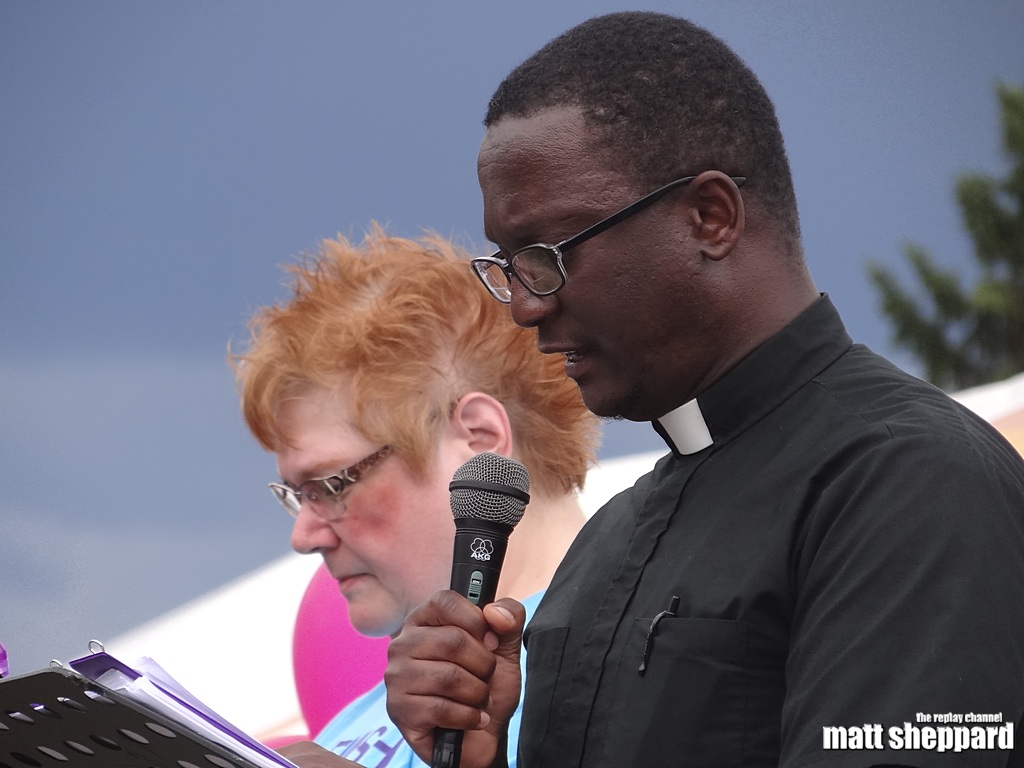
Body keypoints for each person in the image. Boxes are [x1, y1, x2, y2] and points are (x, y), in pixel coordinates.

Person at [383, 11, 1024, 768]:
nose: (525, 305)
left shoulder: (912, 481)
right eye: (508, 267)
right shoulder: (610, 540)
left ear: (711, 217)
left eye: (546, 255)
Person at [230, 226, 599, 767]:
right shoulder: (362, 718)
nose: (303, 536)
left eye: (332, 485)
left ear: (480, 441)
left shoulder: (625, 662)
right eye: (296, 495)